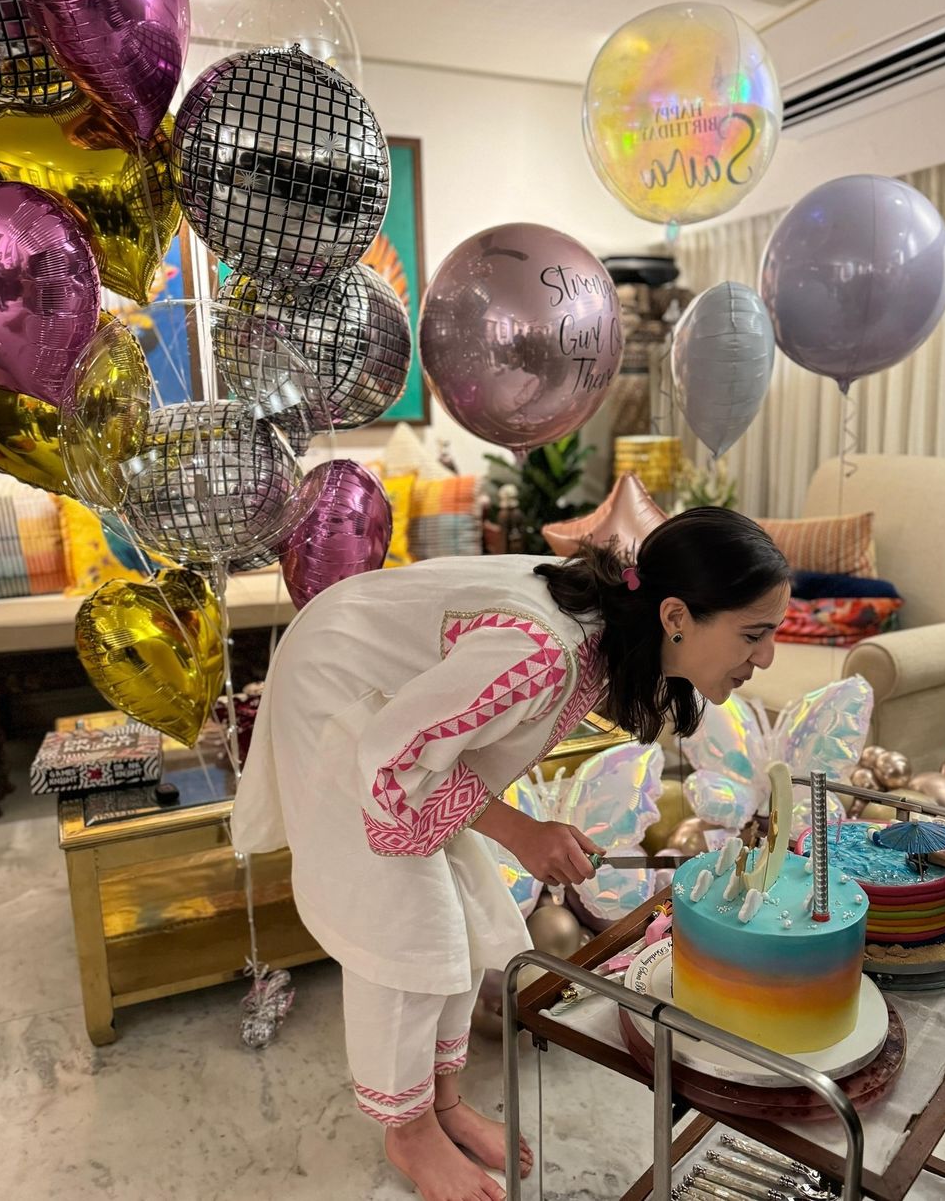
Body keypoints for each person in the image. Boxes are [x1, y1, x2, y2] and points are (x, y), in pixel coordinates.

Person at [232, 507, 791, 1201]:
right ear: (676, 614)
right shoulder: (543, 654)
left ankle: (438, 1106)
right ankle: (407, 1131)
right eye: (755, 634)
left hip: (394, 718)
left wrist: (510, 827)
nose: (767, 657)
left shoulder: (614, 634)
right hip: (340, 691)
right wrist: (524, 833)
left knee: (462, 909)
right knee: (408, 930)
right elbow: (392, 753)